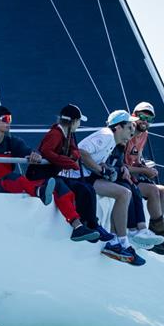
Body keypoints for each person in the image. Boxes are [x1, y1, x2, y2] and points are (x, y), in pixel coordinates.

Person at [0, 105, 99, 242]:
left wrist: (35, 154)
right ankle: (40, 191)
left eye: (10, 118)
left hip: (9, 186)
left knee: (58, 184)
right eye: (5, 119)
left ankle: (77, 226)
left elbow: (28, 150)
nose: (8, 122)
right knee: (13, 178)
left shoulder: (12, 142)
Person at [69, 110, 164, 264]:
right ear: (118, 127)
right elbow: (81, 152)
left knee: (125, 192)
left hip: (86, 177)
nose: (132, 131)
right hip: (78, 178)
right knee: (124, 193)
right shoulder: (106, 135)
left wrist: (106, 168)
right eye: (129, 127)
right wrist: (101, 170)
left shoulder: (112, 141)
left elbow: (94, 158)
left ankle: (116, 242)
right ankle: (122, 242)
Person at [27, 104, 114, 243]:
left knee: (87, 189)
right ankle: (83, 225)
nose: (79, 125)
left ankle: (92, 224)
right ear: (73, 122)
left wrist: (71, 157)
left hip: (54, 175)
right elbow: (47, 152)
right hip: (42, 176)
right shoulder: (55, 134)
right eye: (78, 121)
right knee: (72, 190)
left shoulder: (68, 135)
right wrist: (69, 162)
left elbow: (75, 151)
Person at [127, 101, 164, 253]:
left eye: (149, 119)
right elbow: (120, 165)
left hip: (134, 175)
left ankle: (154, 233)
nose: (145, 121)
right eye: (142, 116)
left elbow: (137, 159)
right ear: (134, 116)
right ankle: (163, 236)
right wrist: (145, 172)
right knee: (153, 191)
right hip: (124, 177)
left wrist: (145, 168)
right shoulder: (127, 132)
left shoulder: (144, 134)